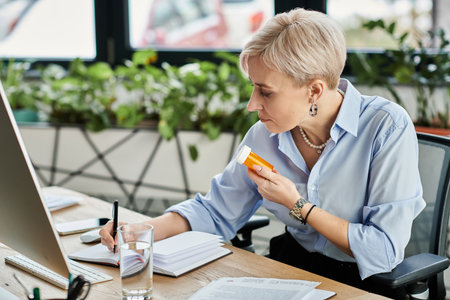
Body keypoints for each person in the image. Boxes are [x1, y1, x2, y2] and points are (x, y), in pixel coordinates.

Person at [100, 7, 425, 295]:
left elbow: (383, 250)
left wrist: (298, 205)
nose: (252, 104)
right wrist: (140, 231)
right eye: (253, 88)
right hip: (293, 270)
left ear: (314, 90)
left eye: (265, 92)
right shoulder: (263, 136)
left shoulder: (387, 127)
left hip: (367, 284)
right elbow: (215, 210)